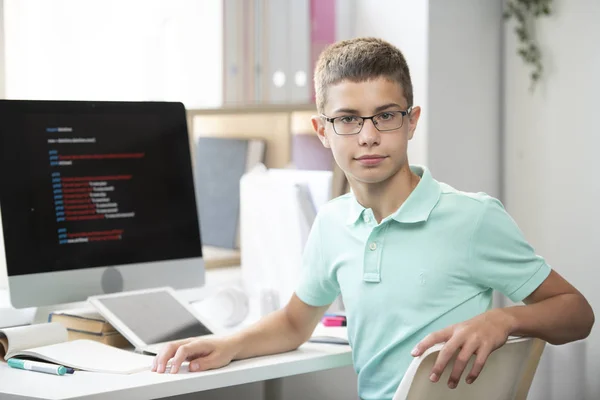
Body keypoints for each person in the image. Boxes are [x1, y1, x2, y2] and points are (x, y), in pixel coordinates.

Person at [152, 37, 594, 400]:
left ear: (411, 121)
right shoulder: (331, 223)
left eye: (385, 116)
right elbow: (293, 323)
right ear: (323, 131)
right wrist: (227, 345)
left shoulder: (472, 217)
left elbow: (577, 313)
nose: (368, 137)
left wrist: (504, 319)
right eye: (347, 119)